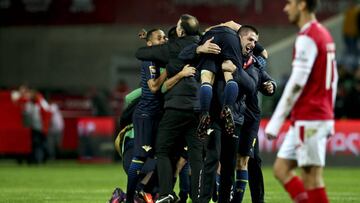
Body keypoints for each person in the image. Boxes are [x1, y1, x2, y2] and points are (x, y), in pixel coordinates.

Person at [135, 14, 220, 203]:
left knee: (163, 150)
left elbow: (141, 53)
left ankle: (166, 193)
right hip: (199, 109)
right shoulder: (207, 45)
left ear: (181, 31)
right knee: (196, 155)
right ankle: (199, 198)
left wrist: (155, 48)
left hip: (176, 108)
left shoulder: (172, 47)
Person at [265, 0, 338, 202]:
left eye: (289, 3)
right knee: (281, 169)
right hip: (309, 117)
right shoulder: (323, 33)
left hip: (311, 117)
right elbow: (334, 78)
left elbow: (297, 83)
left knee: (312, 179)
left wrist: (276, 121)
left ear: (302, 5)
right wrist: (330, 115)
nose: (285, 8)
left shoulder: (308, 37)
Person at [126, 28, 168, 203]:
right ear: (150, 44)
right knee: (140, 157)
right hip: (145, 114)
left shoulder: (158, 57)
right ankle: (129, 198)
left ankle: (141, 189)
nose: (165, 40)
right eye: (160, 38)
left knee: (162, 156)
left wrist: (148, 39)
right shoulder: (149, 61)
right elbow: (153, 87)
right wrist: (170, 71)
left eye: (165, 37)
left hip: (156, 114)